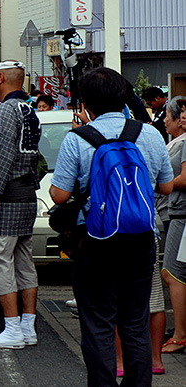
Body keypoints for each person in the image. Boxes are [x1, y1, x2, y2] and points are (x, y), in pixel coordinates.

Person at [50, 67, 173, 386]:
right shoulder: (148, 133)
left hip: (96, 240)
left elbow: (60, 194)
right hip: (142, 239)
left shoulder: (77, 139)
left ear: (86, 104)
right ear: (124, 97)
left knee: (99, 324)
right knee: (135, 322)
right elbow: (167, 187)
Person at [0, 61, 42, 349]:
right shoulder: (30, 110)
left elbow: (2, 157)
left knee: (0, 260)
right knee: (24, 260)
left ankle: (13, 327)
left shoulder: (4, 110)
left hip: (6, 196)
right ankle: (28, 327)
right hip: (27, 194)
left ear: (1, 78)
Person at [162, 95, 186, 356]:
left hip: (181, 212)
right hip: (177, 212)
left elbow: (184, 179)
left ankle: (180, 334)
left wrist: (161, 183)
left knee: (173, 272)